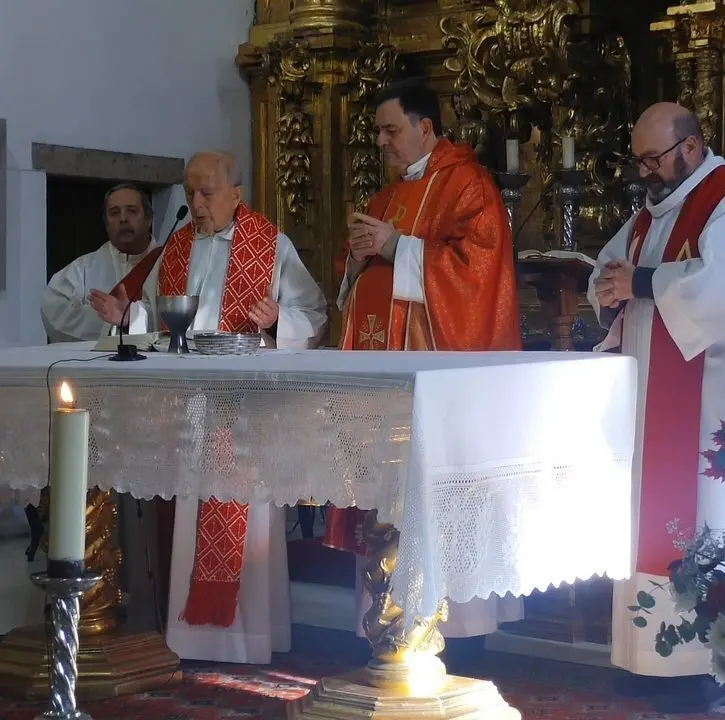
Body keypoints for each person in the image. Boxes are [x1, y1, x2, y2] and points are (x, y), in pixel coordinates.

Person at [325, 78, 522, 668]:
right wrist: (357, 258)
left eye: (391, 130)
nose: (382, 142)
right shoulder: (387, 196)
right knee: (388, 498)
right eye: (378, 132)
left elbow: (478, 270)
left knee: (441, 497)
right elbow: (353, 282)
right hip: (385, 389)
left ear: (426, 127)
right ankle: (386, 626)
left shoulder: (469, 185)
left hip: (439, 390)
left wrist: (397, 248)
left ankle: (459, 637)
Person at [103, 150, 327, 664]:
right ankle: (191, 636)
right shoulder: (177, 246)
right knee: (187, 520)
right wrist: (126, 316)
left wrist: (277, 319)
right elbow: (156, 318)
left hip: (246, 410)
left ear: (236, 194)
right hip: (189, 409)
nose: (197, 203)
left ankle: (250, 637)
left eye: (207, 193)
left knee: (245, 519)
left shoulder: (269, 244)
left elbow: (314, 313)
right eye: (190, 193)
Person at [588, 102, 725, 712]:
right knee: (647, 515)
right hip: (652, 392)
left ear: (691, 147)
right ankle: (649, 659)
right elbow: (611, 268)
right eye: (638, 161)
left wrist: (642, 284)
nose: (645, 172)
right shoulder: (651, 215)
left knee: (707, 515)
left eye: (654, 159)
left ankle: (707, 662)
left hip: (710, 397)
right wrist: (608, 288)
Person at [41, 183, 157, 342]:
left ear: (148, 219)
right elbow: (54, 315)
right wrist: (108, 323)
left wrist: (133, 318)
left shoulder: (169, 264)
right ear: (106, 223)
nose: (123, 219)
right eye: (114, 213)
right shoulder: (81, 269)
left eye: (132, 211)